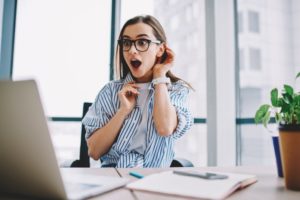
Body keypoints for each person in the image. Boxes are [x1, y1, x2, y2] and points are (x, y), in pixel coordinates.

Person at [82, 15, 193, 168]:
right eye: (126, 43)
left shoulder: (177, 90)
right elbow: (94, 151)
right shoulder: (110, 91)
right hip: (112, 176)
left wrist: (160, 75)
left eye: (142, 42)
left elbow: (165, 128)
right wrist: (123, 111)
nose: (132, 50)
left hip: (154, 179)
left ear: (160, 49)